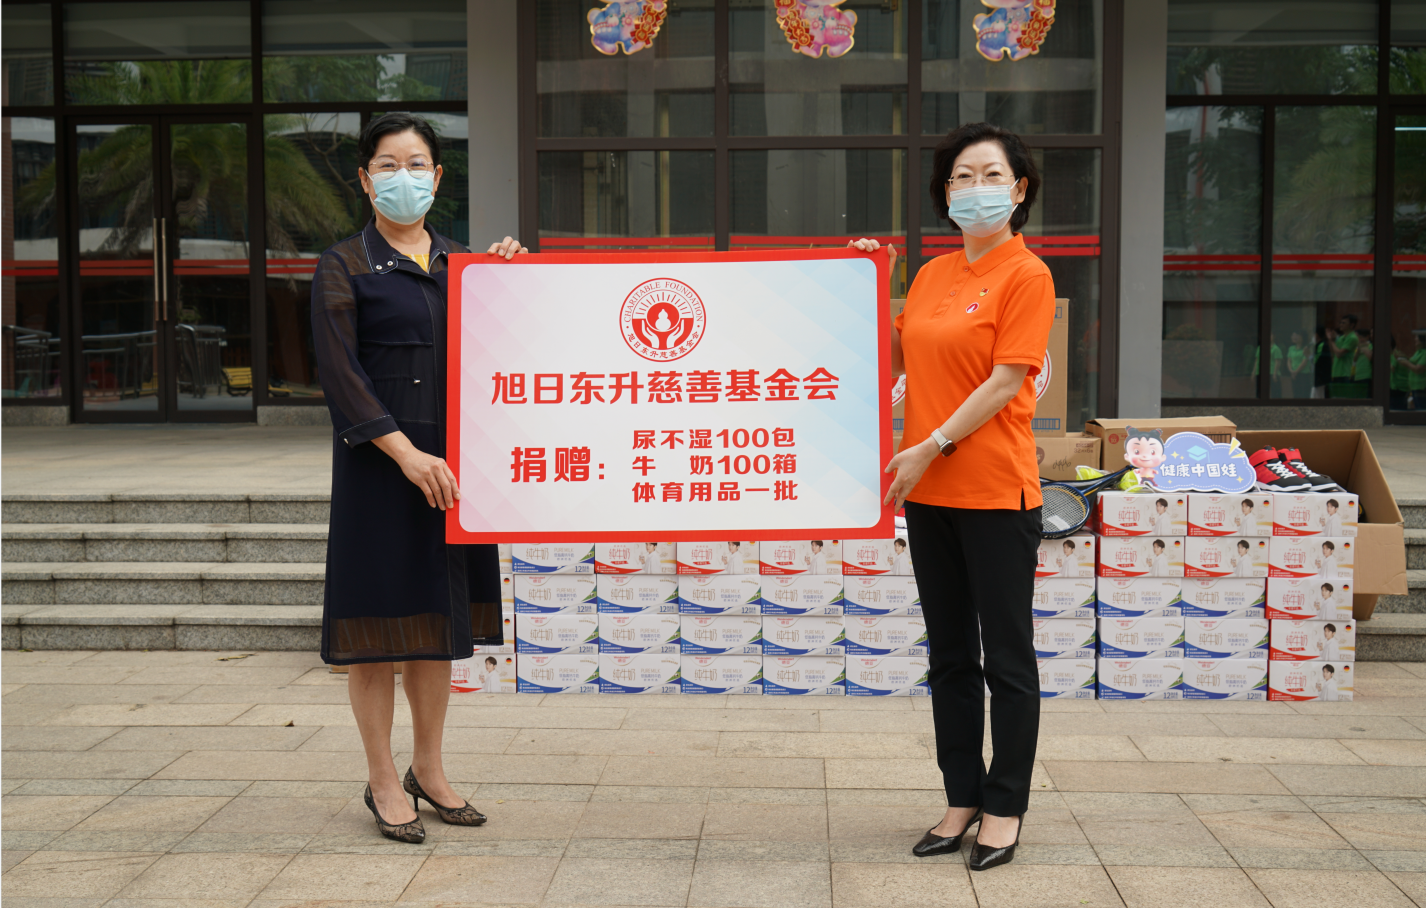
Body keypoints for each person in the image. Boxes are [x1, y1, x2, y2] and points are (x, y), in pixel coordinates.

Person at [313, 112, 525, 844]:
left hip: (454, 478)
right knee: (376, 632)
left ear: (437, 176)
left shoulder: (466, 265)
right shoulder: (342, 265)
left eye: (416, 164)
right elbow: (342, 377)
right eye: (387, 164)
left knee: (434, 631)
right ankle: (381, 778)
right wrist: (406, 455)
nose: (402, 177)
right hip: (382, 474)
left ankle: (427, 770)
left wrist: (512, 279)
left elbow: (511, 353)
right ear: (365, 178)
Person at [850, 122, 1054, 872]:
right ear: (945, 193)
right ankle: (961, 797)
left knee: (1008, 660)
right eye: (961, 178)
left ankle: (1005, 807)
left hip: (996, 493)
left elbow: (1006, 381)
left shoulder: (1028, 276)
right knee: (950, 658)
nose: (975, 189)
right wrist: (862, 282)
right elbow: (889, 351)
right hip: (928, 495)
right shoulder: (934, 275)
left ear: (1019, 189)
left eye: (991, 175)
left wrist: (931, 442)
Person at [1325, 315, 1360, 398]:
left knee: (1342, 399)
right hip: (1336, 372)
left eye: (1343, 323)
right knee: (1335, 398)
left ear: (1352, 325)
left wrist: (1332, 342)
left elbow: (1339, 354)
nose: (1341, 324)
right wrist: (1330, 340)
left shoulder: (1352, 338)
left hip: (1344, 374)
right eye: (1340, 322)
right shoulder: (1341, 338)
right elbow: (1333, 353)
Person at [1396, 332, 1426, 411]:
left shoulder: (1425, 353)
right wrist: (1405, 357)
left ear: (1422, 340)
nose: (1415, 339)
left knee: (1421, 409)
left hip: (1421, 387)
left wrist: (1406, 363)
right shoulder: (1418, 352)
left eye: (1417, 337)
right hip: (1414, 386)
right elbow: (1413, 362)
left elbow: (1418, 369)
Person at [1311, 327, 1332, 399]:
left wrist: (1309, 356)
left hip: (1321, 376)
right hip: (1317, 376)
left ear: (1317, 334)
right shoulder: (1316, 345)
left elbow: (1317, 359)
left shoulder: (1322, 345)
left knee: (1319, 396)